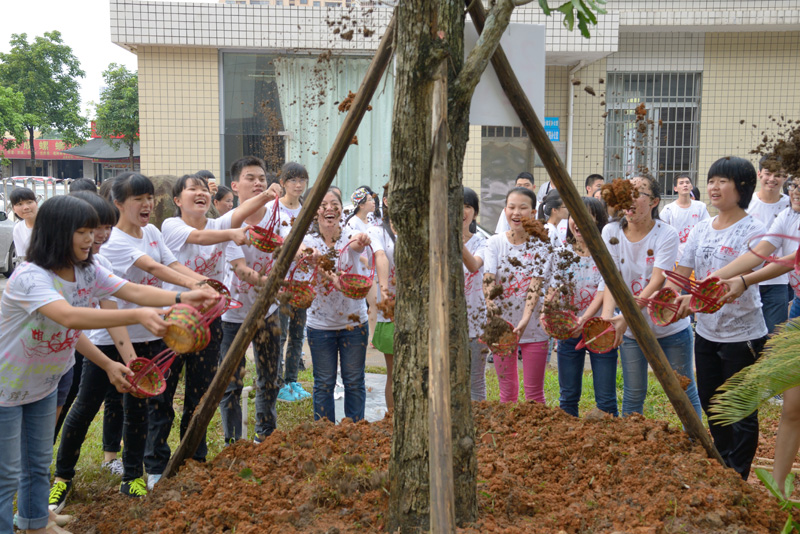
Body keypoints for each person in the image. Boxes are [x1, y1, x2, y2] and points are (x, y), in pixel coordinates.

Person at [0, 195, 210, 534]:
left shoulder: (88, 269)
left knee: (38, 463)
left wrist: (183, 296)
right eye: (81, 231)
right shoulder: (31, 277)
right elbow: (69, 317)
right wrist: (140, 315)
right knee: (6, 473)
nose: (91, 239)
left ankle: (35, 522)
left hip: (43, 384)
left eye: (93, 230)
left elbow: (131, 291)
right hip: (6, 387)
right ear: (56, 232)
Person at [151, 172, 275, 488]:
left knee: (200, 393)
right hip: (175, 320)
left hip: (209, 323)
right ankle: (156, 465)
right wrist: (232, 234)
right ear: (178, 200)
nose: (200, 193)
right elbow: (201, 239)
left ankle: (195, 459)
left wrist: (266, 194)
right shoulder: (172, 227)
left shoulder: (220, 225)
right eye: (191, 189)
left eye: (204, 189)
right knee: (164, 394)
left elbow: (236, 215)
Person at [91, 172, 211, 496]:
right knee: (104, 405)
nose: (147, 204)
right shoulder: (115, 241)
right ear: (118, 204)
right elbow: (153, 270)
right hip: (122, 336)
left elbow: (171, 264)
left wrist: (200, 283)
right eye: (139, 199)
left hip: (155, 331)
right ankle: (139, 470)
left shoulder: (153, 231)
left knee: (150, 404)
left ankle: (136, 474)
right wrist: (190, 291)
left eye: (149, 198)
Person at [667, 156, 769, 480]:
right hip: (707, 332)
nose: (714, 186)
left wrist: (696, 294)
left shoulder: (755, 230)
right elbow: (682, 273)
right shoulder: (701, 228)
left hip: (744, 335)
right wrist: (667, 296)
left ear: (742, 187)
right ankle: (721, 468)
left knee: (739, 410)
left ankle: (737, 476)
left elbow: (752, 272)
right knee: (713, 404)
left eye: (722, 180)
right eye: (711, 180)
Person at [702, 172, 800, 487]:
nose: (795, 190)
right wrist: (715, 283)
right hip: (798, 313)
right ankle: (778, 490)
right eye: (795, 184)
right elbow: (768, 255)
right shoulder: (788, 216)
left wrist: (740, 281)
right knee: (794, 407)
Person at [601, 174, 702, 418]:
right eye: (627, 193)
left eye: (639, 194)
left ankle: (696, 443)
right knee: (634, 393)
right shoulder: (610, 231)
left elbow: (657, 281)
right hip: (631, 332)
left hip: (670, 328)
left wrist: (626, 316)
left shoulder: (666, 234)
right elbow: (611, 280)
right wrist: (606, 319)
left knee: (683, 389)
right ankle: (630, 447)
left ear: (655, 201)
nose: (630, 199)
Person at [218, 156, 285, 445]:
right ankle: (233, 442)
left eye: (261, 177)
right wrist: (275, 286)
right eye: (250, 178)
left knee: (270, 377)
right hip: (232, 313)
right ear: (235, 186)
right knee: (231, 381)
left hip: (268, 311)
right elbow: (242, 270)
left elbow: (291, 247)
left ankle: (265, 436)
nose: (258, 182)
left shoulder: (277, 214)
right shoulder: (229, 222)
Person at [302, 188, 371, 422]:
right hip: (320, 325)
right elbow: (297, 254)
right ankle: (325, 436)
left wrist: (362, 241)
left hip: (354, 323)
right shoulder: (307, 240)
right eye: (322, 205)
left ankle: (354, 432)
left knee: (354, 381)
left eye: (334, 204)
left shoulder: (351, 233)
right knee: (323, 383)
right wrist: (311, 256)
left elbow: (357, 245)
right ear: (314, 212)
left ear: (342, 210)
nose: (329, 208)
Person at [483, 187, 552, 404]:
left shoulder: (541, 243)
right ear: (505, 210)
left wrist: (525, 319)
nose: (516, 212)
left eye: (523, 208)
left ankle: (535, 436)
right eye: (512, 207)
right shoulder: (495, 243)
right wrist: (489, 302)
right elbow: (488, 278)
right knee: (507, 392)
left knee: (534, 394)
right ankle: (507, 436)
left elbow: (535, 285)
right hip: (501, 328)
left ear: (533, 212)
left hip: (533, 328)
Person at [551, 197, 618, 417]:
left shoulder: (605, 254)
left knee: (606, 398)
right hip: (569, 331)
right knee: (568, 395)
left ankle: (609, 440)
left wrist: (584, 319)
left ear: (599, 221)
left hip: (601, 329)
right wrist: (548, 311)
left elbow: (603, 290)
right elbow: (553, 288)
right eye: (574, 215)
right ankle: (568, 439)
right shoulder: (562, 254)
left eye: (587, 216)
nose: (578, 221)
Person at [274, 162, 312, 402]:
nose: (298, 185)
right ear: (283, 183)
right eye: (293, 180)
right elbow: (270, 240)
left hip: (303, 281)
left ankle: (292, 381)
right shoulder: (274, 209)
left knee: (298, 334)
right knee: (281, 332)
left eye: (302, 181)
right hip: (282, 282)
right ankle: (277, 383)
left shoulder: (308, 209)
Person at [745, 155, 790, 334]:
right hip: (747, 279)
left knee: (773, 336)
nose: (772, 179)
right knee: (747, 336)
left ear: (785, 177)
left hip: (778, 281)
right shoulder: (746, 203)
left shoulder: (790, 205)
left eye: (778, 175)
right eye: (768, 173)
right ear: (759, 174)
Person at [369, 189, 397, 410]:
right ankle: (393, 421)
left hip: (417, 310)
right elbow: (380, 256)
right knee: (394, 372)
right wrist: (385, 290)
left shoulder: (419, 229)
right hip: (390, 311)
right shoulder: (378, 231)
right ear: (386, 201)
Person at [460, 187, 487, 401]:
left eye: (468, 206)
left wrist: (454, 239)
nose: (462, 210)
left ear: (474, 213)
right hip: (446, 324)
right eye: (457, 205)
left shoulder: (482, 243)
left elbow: (473, 266)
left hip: (476, 323)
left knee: (475, 383)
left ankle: (478, 427)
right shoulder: (436, 243)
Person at [659, 174, 710, 263]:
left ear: (691, 187)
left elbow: (708, 228)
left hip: (696, 256)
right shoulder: (668, 209)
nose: (685, 185)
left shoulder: (700, 207)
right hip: (675, 258)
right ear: (675, 188)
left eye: (687, 182)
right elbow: (660, 231)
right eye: (681, 183)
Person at [10, 187, 37, 262]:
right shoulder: (18, 228)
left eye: (29, 202)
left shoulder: (50, 223)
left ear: (36, 203)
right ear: (14, 209)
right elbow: (24, 258)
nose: (26, 207)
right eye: (20, 204)